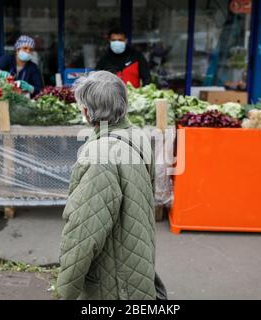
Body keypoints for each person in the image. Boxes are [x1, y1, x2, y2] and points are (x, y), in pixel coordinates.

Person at [56, 71, 158, 300]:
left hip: (113, 281)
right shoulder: (137, 136)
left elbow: (82, 237)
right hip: (137, 262)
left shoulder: (99, 156)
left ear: (87, 111)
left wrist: (64, 293)